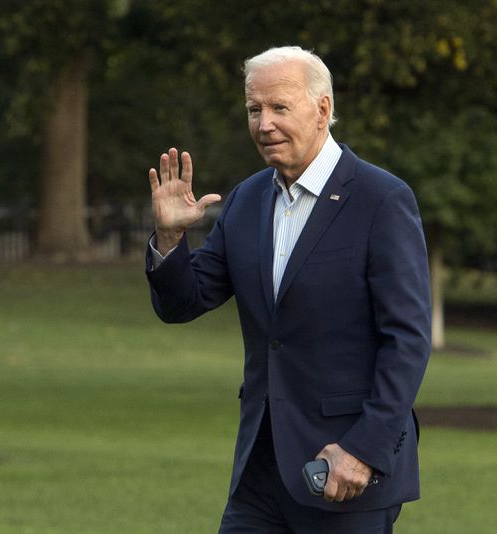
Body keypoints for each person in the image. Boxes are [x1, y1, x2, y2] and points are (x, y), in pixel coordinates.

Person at [145, 46, 431, 533]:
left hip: (344, 471)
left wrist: (362, 450)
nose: (264, 124)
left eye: (279, 108)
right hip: (260, 472)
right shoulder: (247, 199)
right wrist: (171, 238)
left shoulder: (381, 199)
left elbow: (407, 341)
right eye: (254, 109)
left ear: (322, 110)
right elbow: (183, 303)